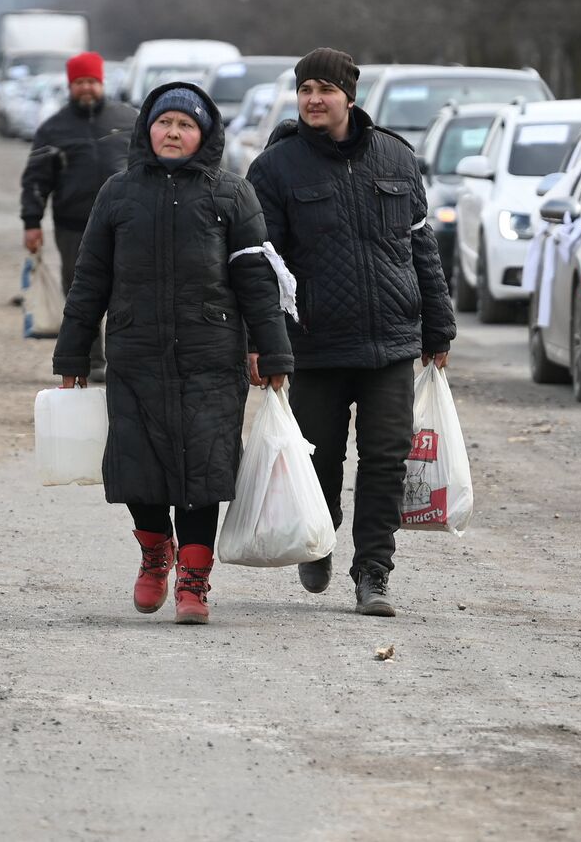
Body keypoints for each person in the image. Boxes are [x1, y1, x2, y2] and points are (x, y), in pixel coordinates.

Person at [52, 83, 293, 626]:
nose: (174, 133)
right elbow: (89, 280)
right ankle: (154, 551)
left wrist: (271, 353)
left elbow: (257, 281)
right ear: (148, 129)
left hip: (212, 354)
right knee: (138, 464)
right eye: (165, 123)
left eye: (186, 126)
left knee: (204, 469)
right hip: (136, 353)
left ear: (204, 136)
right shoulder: (117, 193)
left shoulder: (232, 195)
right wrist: (72, 357)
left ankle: (193, 579)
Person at [246, 48, 455, 616]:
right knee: (319, 458)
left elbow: (421, 248)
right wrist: (262, 341)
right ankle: (320, 535)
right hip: (313, 342)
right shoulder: (275, 169)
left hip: (391, 339)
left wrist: (439, 327)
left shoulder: (396, 157)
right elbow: (262, 263)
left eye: (326, 89)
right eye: (305, 89)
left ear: (349, 95)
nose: (314, 99)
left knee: (387, 457)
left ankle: (374, 574)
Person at [20, 52, 138, 381]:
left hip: (125, 223)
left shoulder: (129, 120)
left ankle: (122, 357)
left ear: (101, 83)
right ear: (71, 85)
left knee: (125, 290)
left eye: (92, 82)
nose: (86, 88)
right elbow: (35, 180)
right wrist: (31, 222)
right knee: (81, 292)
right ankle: (93, 358)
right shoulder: (53, 129)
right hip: (73, 225)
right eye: (79, 82)